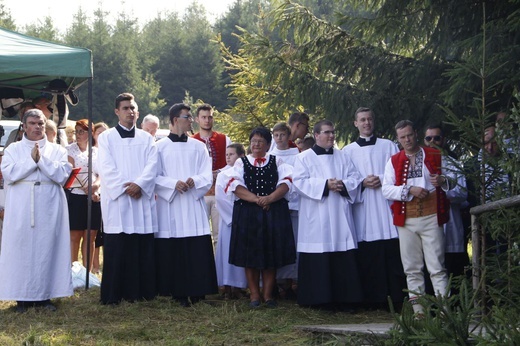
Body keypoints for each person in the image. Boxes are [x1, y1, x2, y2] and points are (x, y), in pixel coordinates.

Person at [0, 109, 73, 312]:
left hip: (49, 204)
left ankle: (44, 296)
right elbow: (9, 173)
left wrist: (41, 159)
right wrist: (31, 160)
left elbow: (62, 175)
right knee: (21, 250)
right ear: (24, 126)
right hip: (22, 205)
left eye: (41, 123)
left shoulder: (57, 150)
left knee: (46, 249)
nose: (37, 127)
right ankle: (21, 298)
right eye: (32, 123)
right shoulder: (13, 149)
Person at [382, 120, 452, 317]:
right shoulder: (394, 160)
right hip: (407, 220)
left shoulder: (435, 155)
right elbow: (386, 189)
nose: (407, 140)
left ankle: (445, 313)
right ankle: (419, 314)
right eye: (402, 137)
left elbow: (453, 181)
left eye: (409, 135)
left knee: (437, 267)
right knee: (412, 269)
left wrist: (442, 181)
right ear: (398, 139)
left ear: (416, 134)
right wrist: (408, 190)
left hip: (431, 217)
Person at [293, 119, 364, 310]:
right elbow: (298, 182)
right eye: (327, 132)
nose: (331, 136)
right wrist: (325, 185)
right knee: (319, 252)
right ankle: (317, 300)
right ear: (316, 136)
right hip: (316, 215)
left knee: (342, 251)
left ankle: (345, 299)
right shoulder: (304, 158)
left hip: (339, 212)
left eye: (333, 132)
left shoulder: (342, 156)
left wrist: (342, 185)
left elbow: (355, 179)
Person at [96, 93, 158, 305]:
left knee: (140, 247)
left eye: (132, 108)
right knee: (117, 248)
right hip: (118, 201)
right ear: (117, 112)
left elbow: (153, 165)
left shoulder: (147, 138)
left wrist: (140, 184)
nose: (130, 112)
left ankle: (140, 293)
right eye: (125, 108)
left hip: (141, 198)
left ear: (137, 112)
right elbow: (106, 167)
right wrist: (127, 187)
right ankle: (113, 295)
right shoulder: (106, 138)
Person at [154, 103, 218, 307]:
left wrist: (195, 181)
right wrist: (173, 184)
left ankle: (199, 291)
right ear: (174, 120)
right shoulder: (159, 147)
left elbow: (206, 174)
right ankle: (177, 292)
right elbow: (153, 176)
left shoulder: (198, 146)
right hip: (171, 205)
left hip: (192, 202)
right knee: (174, 248)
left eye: (191, 117)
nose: (191, 121)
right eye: (187, 117)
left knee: (196, 247)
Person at [342, 107, 406, 310]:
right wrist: (361, 182)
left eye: (369, 119)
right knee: (369, 254)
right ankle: (373, 299)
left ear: (373, 121)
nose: (366, 123)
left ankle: (396, 298)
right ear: (356, 123)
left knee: (391, 252)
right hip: (364, 208)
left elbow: (400, 170)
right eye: (362, 120)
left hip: (385, 204)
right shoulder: (348, 151)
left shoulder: (388, 145)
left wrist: (382, 179)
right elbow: (346, 179)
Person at [225, 127, 296, 308]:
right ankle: (254, 295)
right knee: (250, 255)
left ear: (268, 144)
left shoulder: (277, 161)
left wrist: (270, 198)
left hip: (272, 213)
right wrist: (257, 199)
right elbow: (235, 185)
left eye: (260, 141)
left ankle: (268, 295)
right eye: (253, 141)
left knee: (270, 255)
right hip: (248, 214)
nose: (256, 145)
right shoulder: (241, 162)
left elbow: (287, 182)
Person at [423, 124, 469, 282]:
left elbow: (462, 194)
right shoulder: (418, 164)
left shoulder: (453, 164)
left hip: (450, 223)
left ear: (443, 140)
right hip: (426, 222)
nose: (432, 141)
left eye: (436, 138)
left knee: (453, 273)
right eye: (428, 138)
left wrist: (444, 185)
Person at [192, 104, 232, 249]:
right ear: (197, 119)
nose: (207, 120)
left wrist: (218, 173)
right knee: (200, 233)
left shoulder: (224, 139)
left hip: (219, 193)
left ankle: (219, 269)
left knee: (219, 234)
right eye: (203, 117)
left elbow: (233, 163)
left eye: (210, 117)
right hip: (200, 194)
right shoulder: (192, 141)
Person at [269, 122, 301, 299]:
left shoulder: (298, 155)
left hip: (294, 204)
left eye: (282, 135)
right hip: (277, 203)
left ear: (289, 137)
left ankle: (291, 283)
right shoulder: (270, 156)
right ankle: (276, 283)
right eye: (276, 135)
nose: (279, 138)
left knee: (294, 242)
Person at [66, 119, 102, 272]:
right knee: (75, 236)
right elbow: (71, 171)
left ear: (90, 133)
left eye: (82, 131)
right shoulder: (70, 150)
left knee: (90, 236)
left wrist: (96, 188)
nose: (78, 135)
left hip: (93, 196)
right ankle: (74, 271)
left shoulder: (96, 151)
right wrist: (86, 188)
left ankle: (87, 272)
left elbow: (101, 174)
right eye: (77, 131)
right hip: (76, 195)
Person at [215, 143, 248, 300]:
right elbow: (221, 199)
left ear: (241, 156)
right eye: (226, 154)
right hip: (230, 220)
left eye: (232, 154)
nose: (228, 157)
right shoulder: (223, 174)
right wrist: (234, 218)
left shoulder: (247, 172)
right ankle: (228, 286)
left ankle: (241, 286)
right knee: (227, 252)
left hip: (245, 219)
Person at [92, 122, 109, 274]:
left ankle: (105, 264)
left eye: (104, 133)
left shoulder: (110, 150)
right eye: (99, 133)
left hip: (108, 195)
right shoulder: (93, 152)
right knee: (95, 233)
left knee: (106, 232)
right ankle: (95, 265)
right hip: (96, 195)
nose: (101, 136)